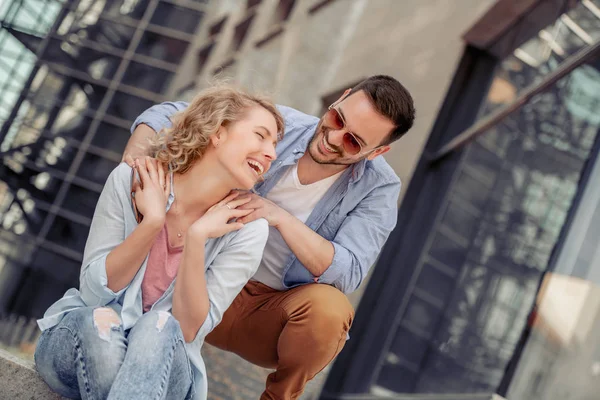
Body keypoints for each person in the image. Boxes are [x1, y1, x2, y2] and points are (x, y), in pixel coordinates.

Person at [124, 75, 416, 399]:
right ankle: (128, 334)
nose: (333, 137)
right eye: (336, 118)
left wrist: (277, 216)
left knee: (331, 312)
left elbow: (348, 272)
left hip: (269, 315)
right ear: (341, 97)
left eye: (352, 142)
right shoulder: (279, 125)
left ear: (377, 152)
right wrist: (136, 160)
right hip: (205, 277)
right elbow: (173, 113)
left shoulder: (379, 189)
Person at [34, 85, 285, 400]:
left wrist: (196, 239)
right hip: (81, 342)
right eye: (261, 136)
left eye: (275, 144)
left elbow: (189, 329)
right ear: (218, 132)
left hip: (167, 368)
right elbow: (95, 292)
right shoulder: (132, 180)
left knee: (159, 325)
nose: (271, 153)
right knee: (100, 322)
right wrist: (152, 222)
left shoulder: (248, 228)